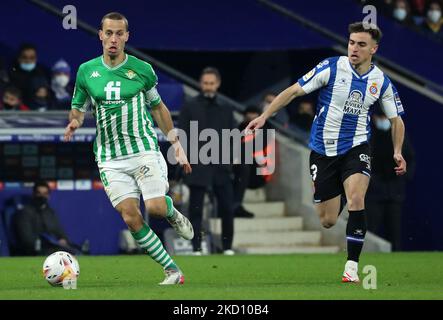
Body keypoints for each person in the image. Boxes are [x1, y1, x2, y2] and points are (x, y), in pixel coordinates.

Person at [246, 22, 407, 283]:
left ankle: (352, 267)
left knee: (357, 200)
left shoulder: (381, 81)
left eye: (361, 44)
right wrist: (265, 115)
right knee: (328, 220)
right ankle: (340, 187)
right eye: (352, 42)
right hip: (323, 150)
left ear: (374, 49)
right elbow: (294, 91)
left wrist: (397, 151)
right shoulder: (331, 67)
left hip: (357, 146)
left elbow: (396, 119)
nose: (354, 48)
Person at [63, 12, 194, 285]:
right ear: (100, 35)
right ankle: (172, 271)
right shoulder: (87, 71)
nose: (113, 39)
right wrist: (74, 123)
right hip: (110, 158)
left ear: (126, 37)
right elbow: (77, 109)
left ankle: (170, 211)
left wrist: (176, 144)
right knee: (130, 216)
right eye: (108, 33)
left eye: (119, 33)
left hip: (142, 149)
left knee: (156, 209)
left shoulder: (142, 70)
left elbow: (158, 107)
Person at [178, 67, 236, 255]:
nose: (208, 87)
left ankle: (227, 247)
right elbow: (182, 135)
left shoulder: (227, 108)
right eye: (205, 83)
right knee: (196, 210)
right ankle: (196, 248)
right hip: (197, 165)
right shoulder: (190, 106)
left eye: (211, 83)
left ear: (217, 84)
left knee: (227, 207)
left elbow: (233, 134)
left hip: (221, 165)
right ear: (200, 84)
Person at [366, 109, 415, 251]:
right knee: (371, 230)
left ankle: (395, 262)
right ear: (374, 117)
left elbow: (410, 158)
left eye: (385, 117)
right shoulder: (368, 136)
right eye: (380, 116)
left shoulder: (399, 136)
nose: (383, 120)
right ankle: (369, 262)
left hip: (394, 192)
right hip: (373, 192)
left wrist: (404, 175)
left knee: (394, 233)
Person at [12, 181, 79, 256]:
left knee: (74, 251)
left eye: (45, 194)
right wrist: (48, 243)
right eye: (39, 193)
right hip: (36, 251)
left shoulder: (50, 212)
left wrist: (63, 239)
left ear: (49, 196)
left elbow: (59, 231)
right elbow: (27, 240)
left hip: (54, 248)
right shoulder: (24, 213)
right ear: (33, 194)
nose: (42, 196)